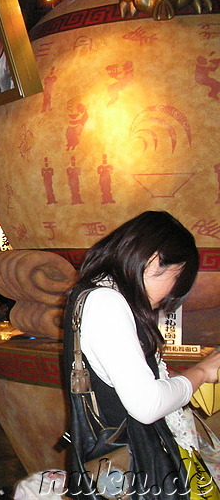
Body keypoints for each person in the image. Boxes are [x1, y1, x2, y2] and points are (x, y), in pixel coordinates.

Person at [64, 211, 220, 498]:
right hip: (134, 465)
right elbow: (146, 405)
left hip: (113, 459)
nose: (170, 294)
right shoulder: (106, 303)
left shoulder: (91, 294)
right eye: (176, 278)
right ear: (154, 260)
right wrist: (201, 373)